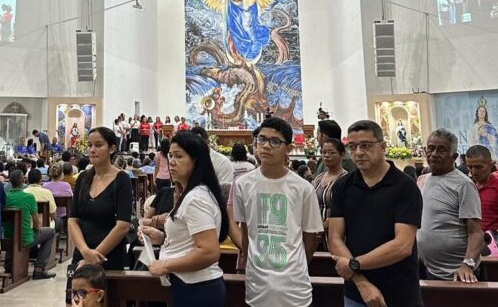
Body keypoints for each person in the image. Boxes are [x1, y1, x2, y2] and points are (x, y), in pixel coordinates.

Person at [329, 120, 423, 307]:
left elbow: (403, 245)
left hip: (399, 291)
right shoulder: (342, 185)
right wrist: (361, 282)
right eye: (352, 147)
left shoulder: (405, 187)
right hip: (356, 292)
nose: (358, 152)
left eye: (365, 145)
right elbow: (334, 238)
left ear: (383, 147)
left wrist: (354, 264)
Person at [233, 117, 322, 307]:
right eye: (262, 139)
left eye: (275, 141)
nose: (266, 146)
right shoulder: (243, 184)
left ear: (288, 149)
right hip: (257, 286)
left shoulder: (303, 188)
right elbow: (246, 233)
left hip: (294, 288)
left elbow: (310, 239)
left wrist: (296, 267)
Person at [139, 131, 228, 307]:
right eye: (171, 156)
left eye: (179, 156)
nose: (171, 162)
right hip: (190, 284)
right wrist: (162, 238)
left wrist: (165, 265)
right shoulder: (191, 193)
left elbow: (209, 252)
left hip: (197, 288)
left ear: (196, 161)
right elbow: (191, 241)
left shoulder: (196, 199)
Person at [417, 130, 482, 283]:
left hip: (457, 273)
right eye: (431, 148)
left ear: (454, 156)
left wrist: (467, 264)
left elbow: (476, 233)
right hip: (427, 267)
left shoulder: (463, 184)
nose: (434, 154)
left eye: (442, 150)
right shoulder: (422, 180)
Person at [68, 127, 132, 282]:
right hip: (82, 253)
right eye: (90, 145)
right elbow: (73, 220)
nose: (92, 150)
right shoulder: (83, 178)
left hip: (109, 255)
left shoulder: (122, 179)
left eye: (98, 145)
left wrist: (94, 256)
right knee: (76, 296)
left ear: (112, 149)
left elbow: (123, 225)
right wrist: (85, 251)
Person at [3, 170, 56, 279]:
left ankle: (9, 264)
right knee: (50, 232)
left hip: (7, 237)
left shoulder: (5, 197)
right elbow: (36, 223)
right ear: (23, 180)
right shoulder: (29, 197)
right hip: (25, 238)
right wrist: (36, 228)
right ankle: (39, 268)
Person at [312, 138, 348, 237]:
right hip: (315, 231)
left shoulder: (346, 179)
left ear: (341, 155)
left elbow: (347, 210)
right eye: (324, 152)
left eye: (332, 152)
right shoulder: (318, 178)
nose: (327, 155)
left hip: (336, 233)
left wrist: (326, 225)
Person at [44, 163, 73, 229]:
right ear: (61, 174)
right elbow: (72, 198)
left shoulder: (45, 185)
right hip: (64, 214)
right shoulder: (66, 185)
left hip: (50, 214)